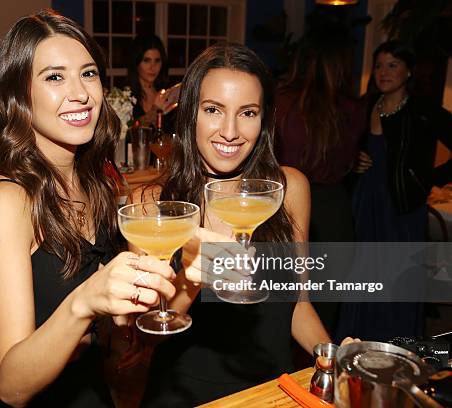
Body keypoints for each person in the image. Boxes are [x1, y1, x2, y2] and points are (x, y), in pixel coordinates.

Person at [0, 10, 177, 407]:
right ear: (19, 94)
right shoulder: (9, 199)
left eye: (88, 73)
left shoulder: (93, 181)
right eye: (54, 77)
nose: (80, 93)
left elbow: (103, 339)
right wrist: (85, 302)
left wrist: (128, 320)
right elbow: (11, 387)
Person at [129, 42, 337, 406]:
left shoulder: (289, 190)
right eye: (213, 109)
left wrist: (334, 359)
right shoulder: (150, 205)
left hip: (273, 391)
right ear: (190, 111)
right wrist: (192, 280)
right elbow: (148, 336)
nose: (230, 131)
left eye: (247, 112)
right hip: (185, 395)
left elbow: (298, 306)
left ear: (264, 118)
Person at [336, 40, 452, 342]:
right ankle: (355, 343)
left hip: (401, 208)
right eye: (378, 66)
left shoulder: (423, 110)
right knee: (360, 274)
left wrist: (428, 179)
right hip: (363, 201)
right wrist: (352, 161)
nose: (383, 72)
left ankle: (394, 347)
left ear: (408, 71)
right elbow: (340, 148)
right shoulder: (363, 105)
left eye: (392, 65)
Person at [274, 30, 365, 334]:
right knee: (322, 313)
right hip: (334, 211)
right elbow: (349, 158)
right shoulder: (351, 109)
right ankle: (322, 373)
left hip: (286, 205)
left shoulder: (280, 102)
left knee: (280, 308)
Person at [127, 34, 178, 130]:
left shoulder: (167, 94)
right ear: (136, 63)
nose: (152, 67)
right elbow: (127, 134)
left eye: (157, 61)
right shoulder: (125, 98)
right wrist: (154, 111)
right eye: (146, 60)